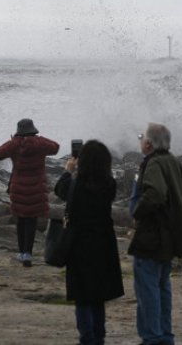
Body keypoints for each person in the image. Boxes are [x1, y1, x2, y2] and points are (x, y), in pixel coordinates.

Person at [128, 123, 182, 345]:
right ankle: (164, 336)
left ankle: (152, 337)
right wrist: (175, 215)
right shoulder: (173, 161)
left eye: (142, 137)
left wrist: (138, 214)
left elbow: (156, 194)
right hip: (168, 237)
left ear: (149, 143)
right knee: (161, 287)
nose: (140, 140)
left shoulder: (154, 164)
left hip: (152, 237)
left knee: (148, 289)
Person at [54, 140, 124, 345]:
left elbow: (60, 190)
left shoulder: (76, 184)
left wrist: (68, 171)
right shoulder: (110, 184)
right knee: (98, 296)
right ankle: (99, 337)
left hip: (80, 244)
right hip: (104, 243)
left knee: (83, 296)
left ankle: (87, 338)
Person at [0, 118, 59, 267]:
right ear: (34, 130)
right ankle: (27, 254)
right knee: (31, 220)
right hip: (37, 187)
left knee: (21, 219)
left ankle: (22, 252)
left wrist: (12, 141)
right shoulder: (40, 143)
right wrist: (40, 139)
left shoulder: (14, 144)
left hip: (19, 187)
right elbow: (55, 147)